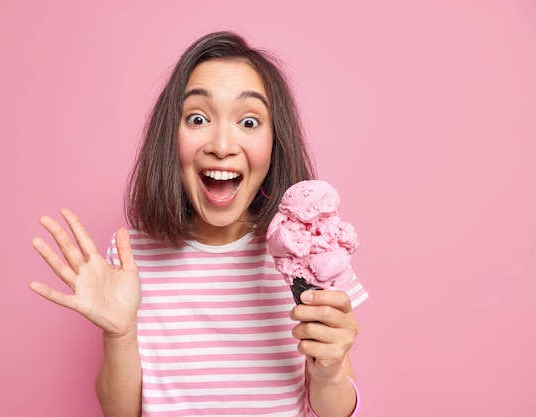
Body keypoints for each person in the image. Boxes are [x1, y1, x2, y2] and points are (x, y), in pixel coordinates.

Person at [30, 31, 368, 417]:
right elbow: (120, 412)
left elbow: (334, 411)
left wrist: (328, 375)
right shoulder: (132, 256)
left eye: (249, 121)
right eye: (197, 118)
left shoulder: (309, 253)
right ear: (170, 137)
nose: (222, 145)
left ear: (276, 143)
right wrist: (118, 333)